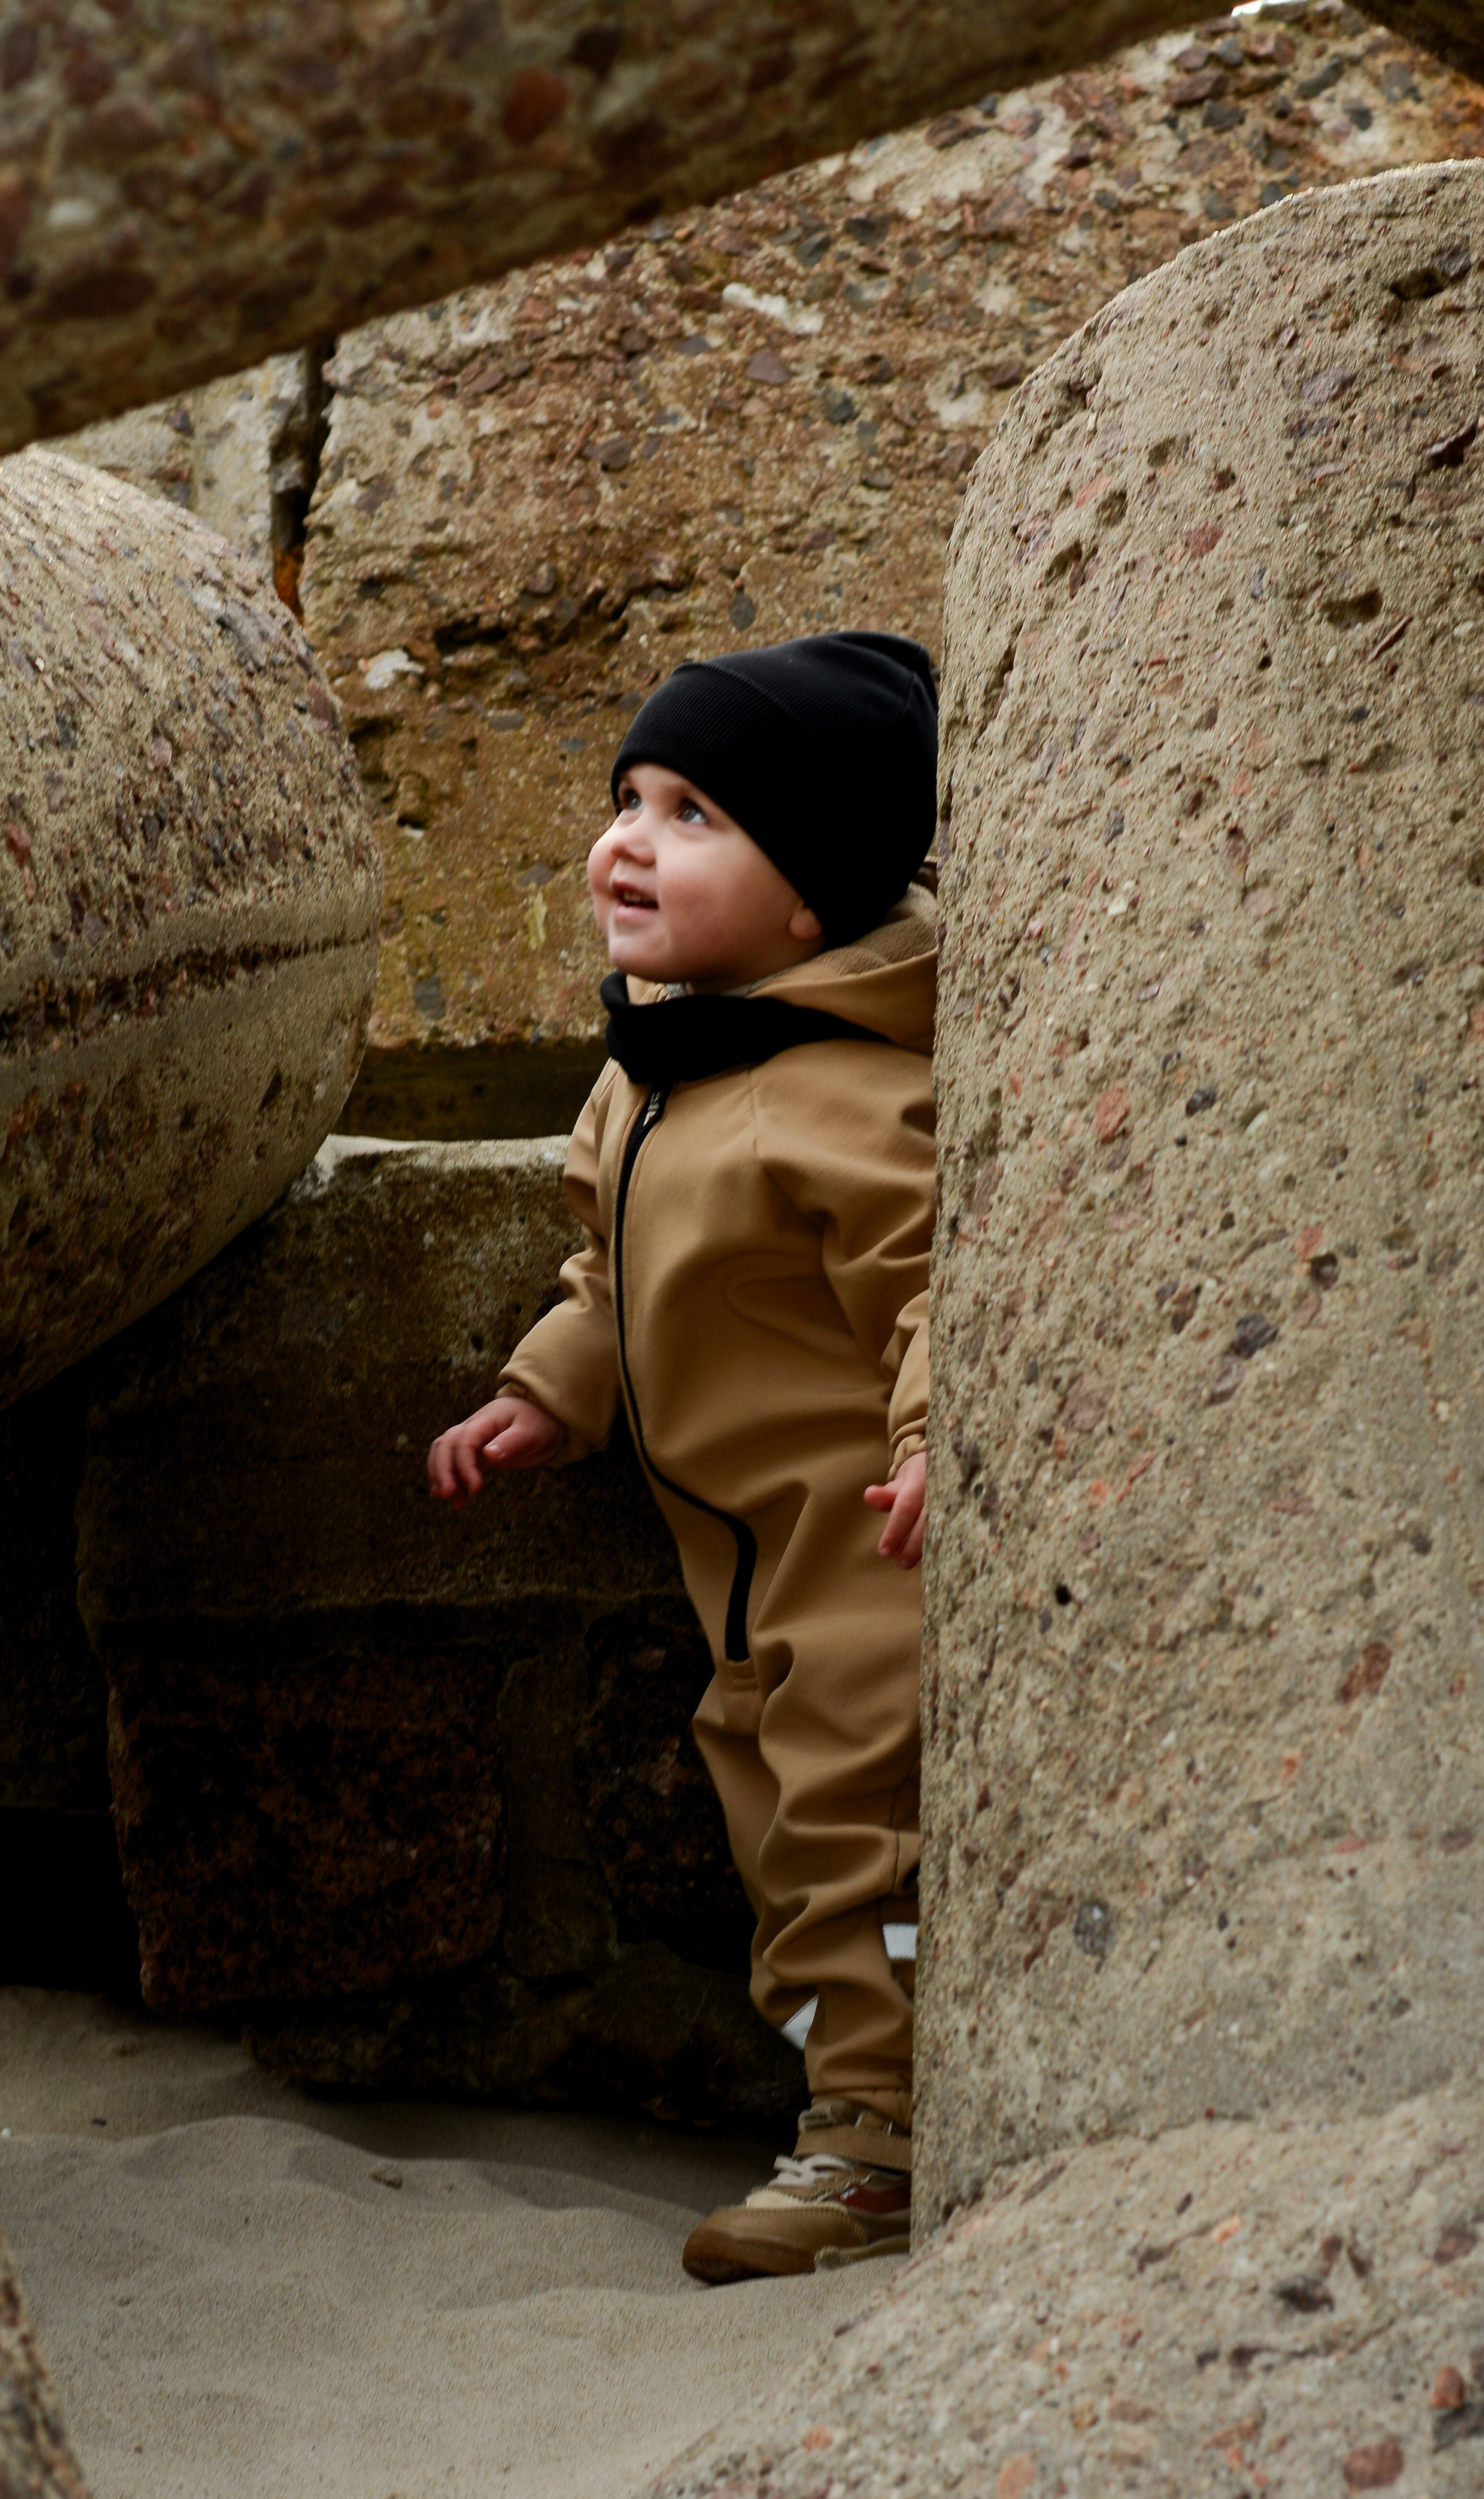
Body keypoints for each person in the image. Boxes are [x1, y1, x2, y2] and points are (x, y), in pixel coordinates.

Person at [426, 630, 937, 2284]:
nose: (626, 840)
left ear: (814, 895)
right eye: (627, 797)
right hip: (724, 1565)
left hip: (851, 1541)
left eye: (695, 811)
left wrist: (934, 1440)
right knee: (772, 1830)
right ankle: (835, 2106)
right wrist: (553, 1386)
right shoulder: (649, 1056)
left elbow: (944, 1287)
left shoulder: (854, 1095)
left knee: (856, 1828)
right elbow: (610, 1265)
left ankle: (879, 2142)